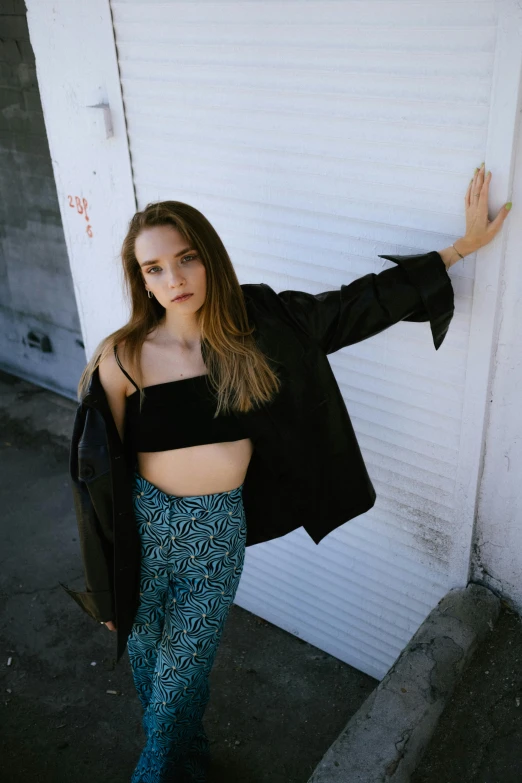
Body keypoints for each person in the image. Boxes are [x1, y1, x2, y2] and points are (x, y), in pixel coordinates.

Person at [63, 163, 510, 782]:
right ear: (140, 280)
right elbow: (94, 482)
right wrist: (105, 583)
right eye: (154, 269)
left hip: (213, 533)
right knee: (149, 663)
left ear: (209, 258)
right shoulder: (124, 355)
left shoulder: (260, 327)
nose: (173, 279)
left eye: (186, 259)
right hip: (143, 528)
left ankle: (157, 770)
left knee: (178, 672)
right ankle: (188, 762)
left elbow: (356, 306)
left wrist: (458, 249)